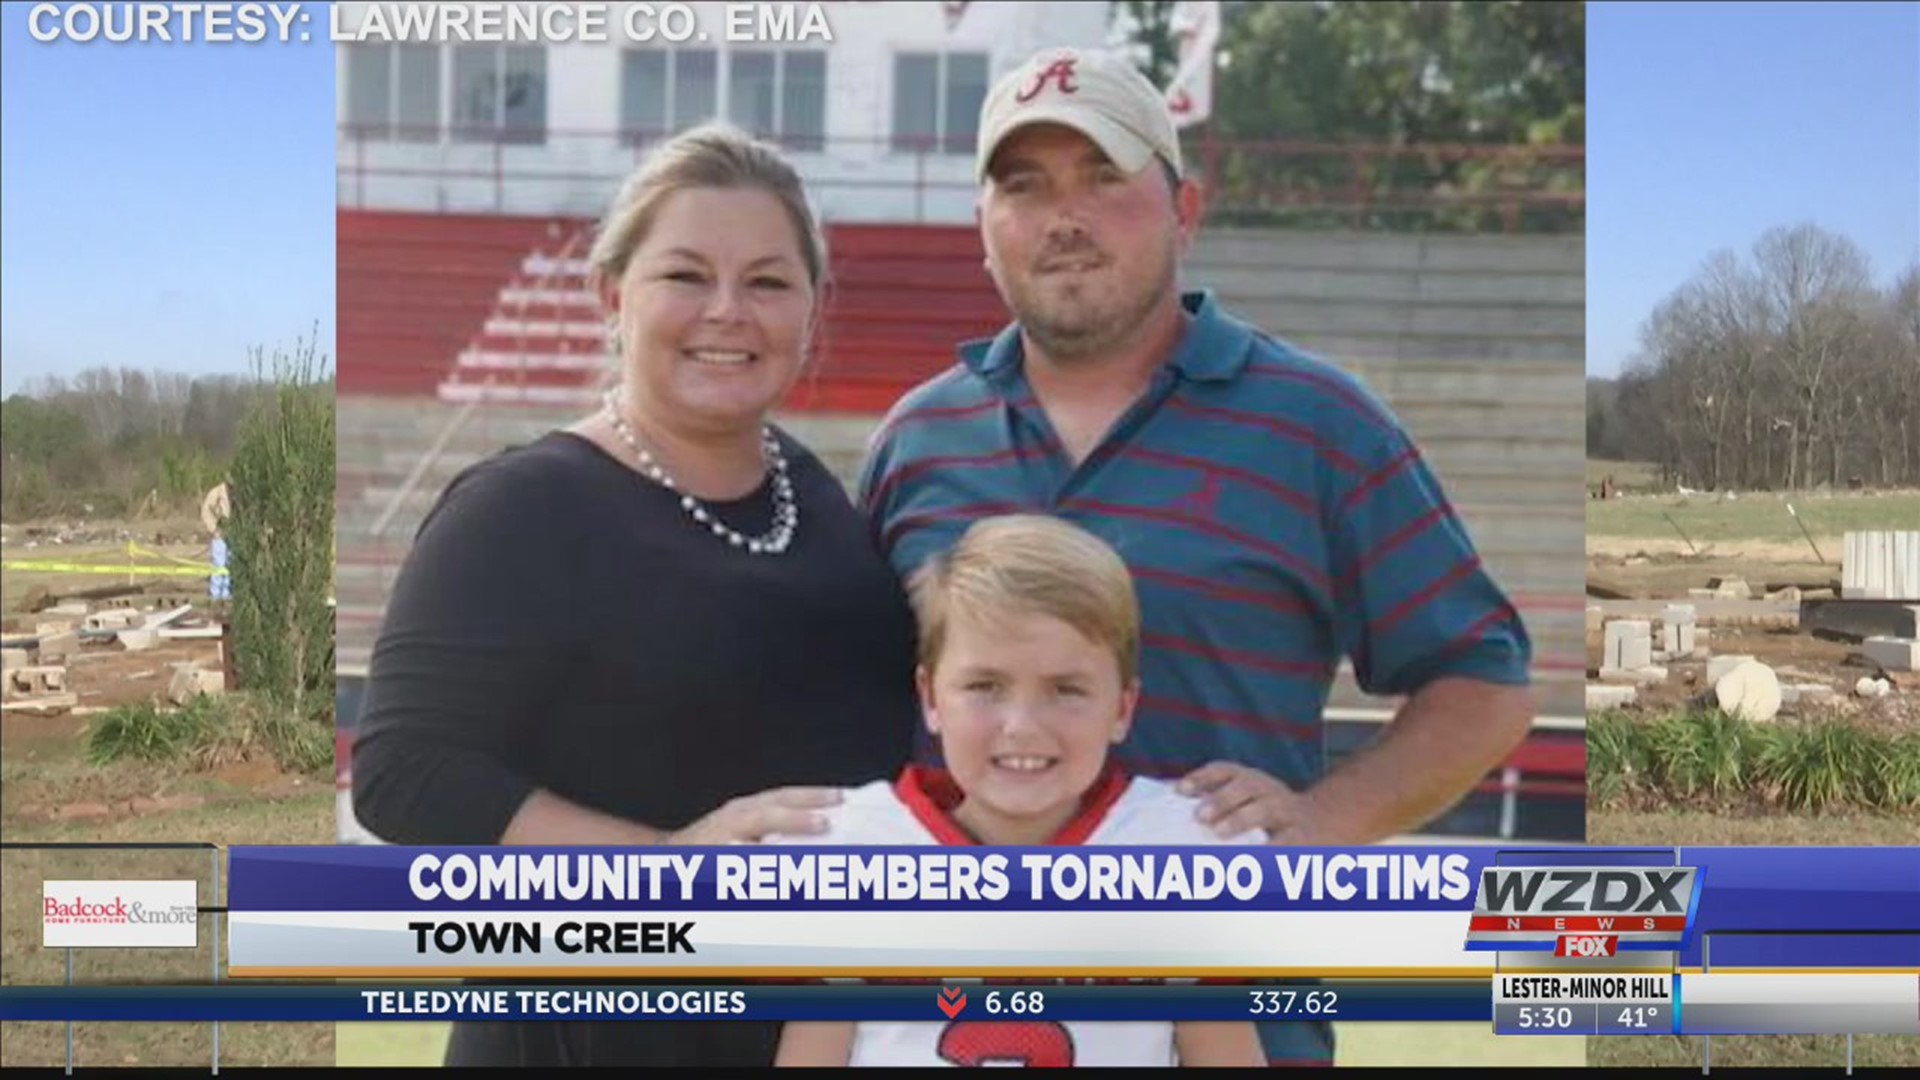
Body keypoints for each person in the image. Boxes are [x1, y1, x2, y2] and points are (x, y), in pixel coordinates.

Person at [857, 47, 1536, 1067]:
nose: (1064, 217)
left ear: (1184, 209)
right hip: (956, 1019)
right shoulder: (918, 438)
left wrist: (1321, 822)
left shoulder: (1318, 425)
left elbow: (1485, 681)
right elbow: (857, 709)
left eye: (1103, 177)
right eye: (1025, 186)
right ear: (982, 228)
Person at [350, 123, 922, 1067]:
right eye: (686, 275)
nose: (728, 311)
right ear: (613, 295)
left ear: (812, 308)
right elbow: (403, 771)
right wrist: (666, 863)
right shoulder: (522, 506)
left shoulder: (817, 493)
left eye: (768, 282)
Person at [773, 514, 1266, 1068]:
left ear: (1122, 708)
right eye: (985, 685)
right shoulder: (856, 853)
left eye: (1066, 689)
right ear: (931, 698)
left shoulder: (1178, 854)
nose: (1023, 726)